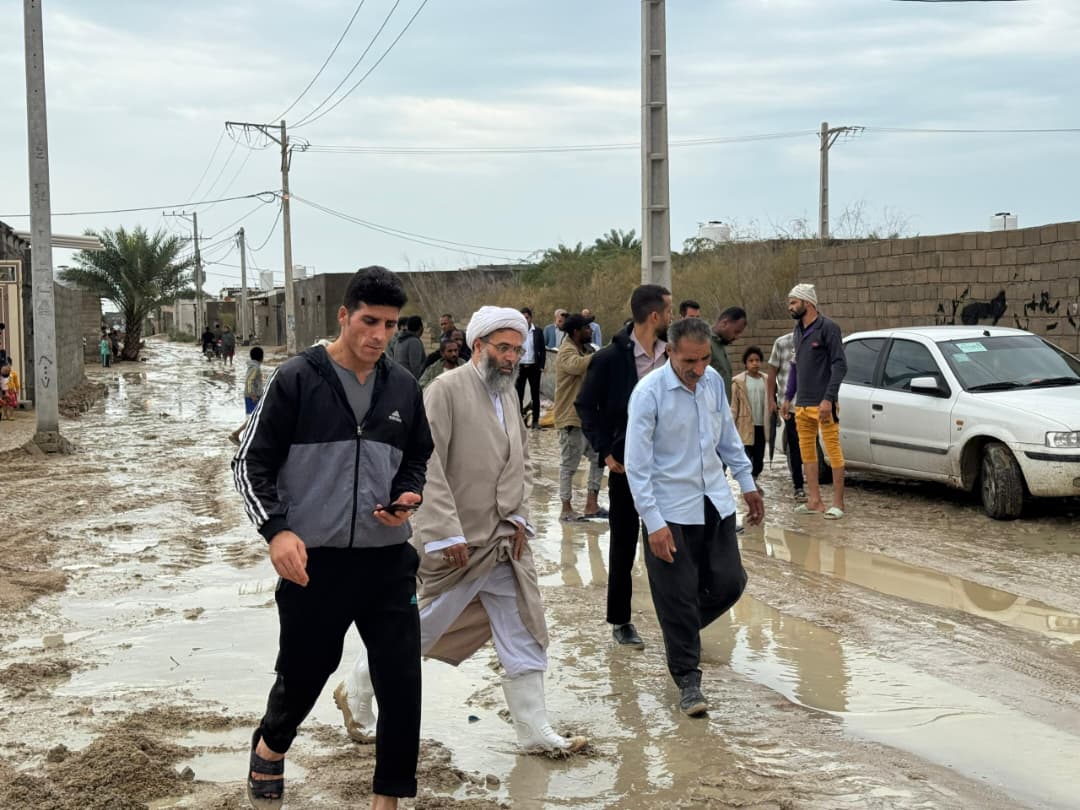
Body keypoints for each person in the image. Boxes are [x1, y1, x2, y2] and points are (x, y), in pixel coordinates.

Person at [336, 306, 588, 756]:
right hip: (458, 544)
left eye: (518, 349)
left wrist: (521, 517)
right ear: (479, 346)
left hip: (505, 541)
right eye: (503, 348)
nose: (511, 358)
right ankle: (358, 686)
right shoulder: (445, 391)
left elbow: (523, 462)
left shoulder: (509, 395)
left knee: (524, 627)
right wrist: (443, 533)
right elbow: (425, 465)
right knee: (423, 626)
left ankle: (533, 729)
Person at [232, 266, 434, 809]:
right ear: (343, 316)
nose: (378, 335)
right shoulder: (297, 378)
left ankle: (387, 799)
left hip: (388, 560)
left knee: (400, 683)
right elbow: (249, 462)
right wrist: (277, 531)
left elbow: (417, 456)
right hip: (312, 563)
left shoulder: (404, 388)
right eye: (369, 321)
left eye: (389, 325)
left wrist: (408, 494)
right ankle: (272, 746)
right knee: (304, 673)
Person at [624, 317, 764, 716]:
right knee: (679, 596)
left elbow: (727, 439)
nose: (698, 369)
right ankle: (688, 682)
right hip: (670, 511)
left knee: (730, 582)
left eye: (704, 359)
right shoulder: (648, 394)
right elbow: (637, 465)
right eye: (690, 361)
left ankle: (678, 633)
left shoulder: (713, 384)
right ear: (669, 352)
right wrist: (652, 522)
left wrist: (747, 483)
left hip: (713, 502)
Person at [576, 284, 672, 651]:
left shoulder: (673, 355)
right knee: (624, 543)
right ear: (654, 316)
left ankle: (676, 618)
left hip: (668, 467)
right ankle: (621, 620)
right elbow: (586, 407)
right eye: (669, 311)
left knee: (671, 539)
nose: (671, 317)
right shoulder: (609, 359)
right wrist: (604, 452)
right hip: (626, 468)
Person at [781, 283, 847, 519]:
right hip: (802, 404)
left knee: (833, 451)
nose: (790, 307)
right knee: (807, 453)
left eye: (793, 302)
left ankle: (838, 503)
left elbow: (840, 365)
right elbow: (795, 366)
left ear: (807, 303)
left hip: (823, 404)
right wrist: (788, 397)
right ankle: (814, 501)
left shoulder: (828, 328)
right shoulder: (797, 331)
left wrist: (828, 398)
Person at [554, 314, 605, 521]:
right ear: (575, 332)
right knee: (569, 465)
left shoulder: (585, 349)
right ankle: (566, 508)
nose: (591, 331)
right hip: (570, 418)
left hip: (587, 418)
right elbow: (576, 365)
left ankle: (591, 504)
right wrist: (603, 356)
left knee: (599, 458)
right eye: (586, 328)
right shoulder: (566, 351)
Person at [767, 331, 805, 499]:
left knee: (811, 445)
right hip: (789, 406)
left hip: (812, 404)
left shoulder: (818, 341)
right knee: (795, 446)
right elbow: (772, 373)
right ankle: (799, 485)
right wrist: (771, 399)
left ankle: (811, 483)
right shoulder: (782, 343)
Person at [731, 346, 767, 482]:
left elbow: (771, 402)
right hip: (745, 425)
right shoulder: (738, 382)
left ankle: (754, 477)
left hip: (761, 425)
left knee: (759, 457)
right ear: (745, 363)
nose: (754, 363)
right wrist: (731, 424)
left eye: (757, 360)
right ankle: (748, 482)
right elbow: (734, 406)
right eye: (751, 360)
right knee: (746, 455)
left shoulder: (766, 381)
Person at [515, 307, 547, 430]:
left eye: (527, 317)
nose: (525, 320)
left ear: (531, 318)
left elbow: (542, 350)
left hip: (534, 366)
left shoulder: (537, 331)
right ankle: (519, 420)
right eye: (522, 318)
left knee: (535, 394)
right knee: (519, 394)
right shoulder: (517, 332)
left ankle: (535, 421)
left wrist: (541, 366)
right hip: (520, 366)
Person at [708, 307, 747, 397]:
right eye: (736, 332)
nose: (737, 337)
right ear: (724, 323)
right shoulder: (705, 343)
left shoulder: (721, 346)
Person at [229, 346, 265, 445]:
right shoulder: (255, 367)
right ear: (261, 357)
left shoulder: (253, 366)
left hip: (253, 395)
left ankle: (243, 436)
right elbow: (249, 380)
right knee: (254, 418)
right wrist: (252, 394)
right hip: (253, 396)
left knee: (255, 417)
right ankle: (238, 434)